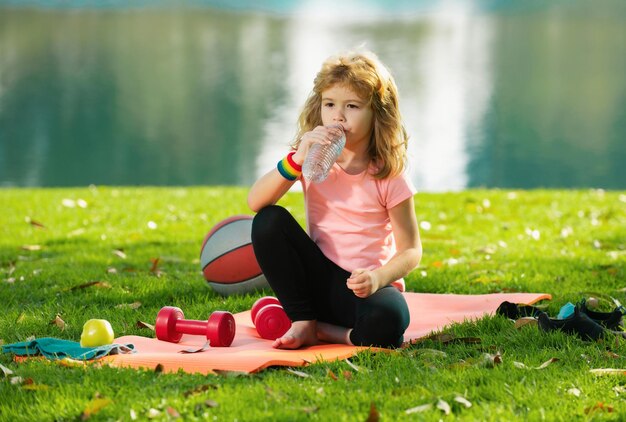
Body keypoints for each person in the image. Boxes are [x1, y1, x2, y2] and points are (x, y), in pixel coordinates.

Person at [247, 50, 422, 350]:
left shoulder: (389, 176)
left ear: (377, 113)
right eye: (330, 104)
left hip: (365, 290)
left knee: (391, 318)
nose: (337, 115)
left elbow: (411, 250)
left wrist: (378, 278)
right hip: (319, 281)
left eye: (352, 106)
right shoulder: (312, 160)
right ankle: (303, 320)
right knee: (267, 221)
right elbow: (255, 201)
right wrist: (296, 160)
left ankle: (328, 332)